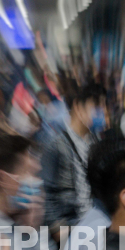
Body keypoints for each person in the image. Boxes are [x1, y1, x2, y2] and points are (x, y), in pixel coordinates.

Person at [42, 83, 106, 230]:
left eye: (103, 106)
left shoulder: (96, 143)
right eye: (96, 105)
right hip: (70, 224)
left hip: (94, 223)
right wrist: (57, 227)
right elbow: (47, 191)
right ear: (78, 106)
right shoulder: (55, 145)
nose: (101, 112)